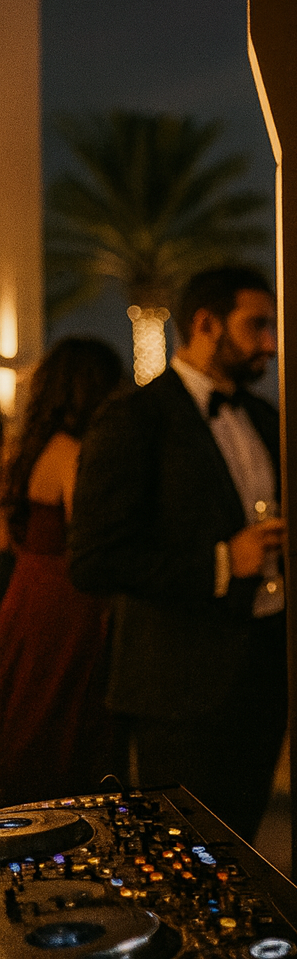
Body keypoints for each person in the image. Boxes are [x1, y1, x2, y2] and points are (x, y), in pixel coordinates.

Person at [70, 268, 287, 840]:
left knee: (245, 847)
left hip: (263, 674)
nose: (270, 342)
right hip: (178, 686)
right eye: (257, 325)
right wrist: (220, 562)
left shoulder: (266, 418)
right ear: (206, 324)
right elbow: (94, 558)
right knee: (184, 856)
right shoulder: (134, 418)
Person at [0, 337, 124, 805]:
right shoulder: (73, 452)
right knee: (60, 719)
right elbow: (88, 535)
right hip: (65, 601)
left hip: (25, 589)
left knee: (23, 708)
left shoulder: (26, 449)